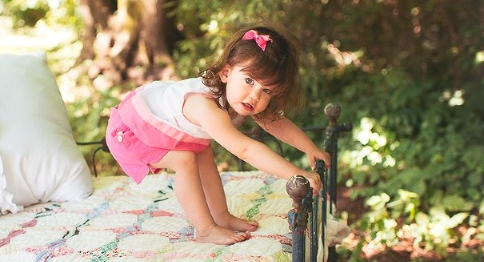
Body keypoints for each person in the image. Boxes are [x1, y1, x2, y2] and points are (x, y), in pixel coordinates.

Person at [105, 25, 330, 245]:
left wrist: (309, 148)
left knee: (203, 152)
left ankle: (222, 217)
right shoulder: (204, 106)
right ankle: (205, 230)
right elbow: (246, 150)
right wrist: (296, 174)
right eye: (249, 81)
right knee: (185, 160)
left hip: (159, 128)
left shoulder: (240, 99)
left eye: (267, 90)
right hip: (129, 130)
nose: (254, 96)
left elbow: (276, 123)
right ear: (226, 73)